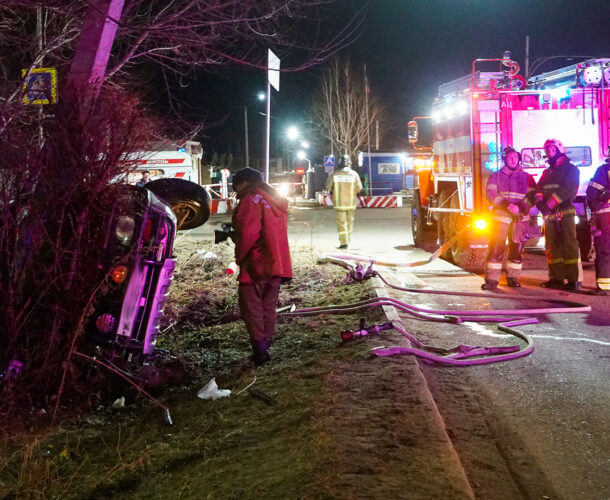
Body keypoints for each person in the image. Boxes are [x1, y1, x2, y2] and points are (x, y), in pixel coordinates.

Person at [231, 167, 293, 364]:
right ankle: (266, 343)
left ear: (244, 183)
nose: (235, 190)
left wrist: (240, 257)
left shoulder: (251, 199)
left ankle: (259, 349)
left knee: (251, 306)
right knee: (268, 305)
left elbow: (248, 232)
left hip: (256, 262)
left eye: (236, 185)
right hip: (277, 263)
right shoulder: (274, 199)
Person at [481, 147, 536, 290]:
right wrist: (506, 205)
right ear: (505, 159)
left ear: (518, 158)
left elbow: (533, 196)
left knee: (516, 249)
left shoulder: (527, 177)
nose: (512, 159)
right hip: (501, 218)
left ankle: (513, 278)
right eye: (509, 157)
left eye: (515, 157)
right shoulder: (496, 176)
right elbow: (490, 194)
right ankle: (492, 280)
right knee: (496, 248)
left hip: (519, 218)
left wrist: (520, 207)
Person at [532, 139, 582, 290]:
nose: (549, 152)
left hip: (564, 212)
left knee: (569, 245)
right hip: (549, 214)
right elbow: (538, 189)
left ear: (560, 150)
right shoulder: (547, 172)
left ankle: (574, 280)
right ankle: (556, 279)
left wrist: (548, 205)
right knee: (552, 246)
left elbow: (568, 189)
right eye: (547, 150)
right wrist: (540, 203)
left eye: (552, 149)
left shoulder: (571, 170)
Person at [586, 152, 610, 295]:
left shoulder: (603, 170)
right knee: (604, 251)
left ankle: (605, 287)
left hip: (605, 218)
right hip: (605, 218)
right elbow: (592, 195)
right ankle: (604, 286)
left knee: (604, 251)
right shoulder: (603, 170)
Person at [326, 155, 363, 249]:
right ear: (349, 163)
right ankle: (348, 240)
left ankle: (344, 242)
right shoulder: (354, 174)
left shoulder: (334, 174)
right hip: (351, 203)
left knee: (342, 223)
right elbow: (359, 188)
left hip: (339, 203)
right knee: (350, 223)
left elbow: (328, 187)